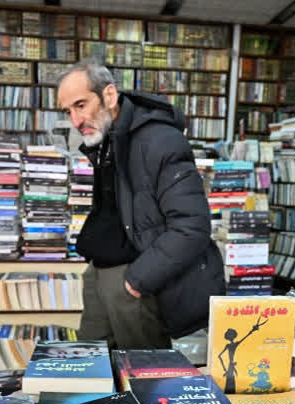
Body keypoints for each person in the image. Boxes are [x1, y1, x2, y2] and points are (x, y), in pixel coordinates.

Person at [56, 60, 224, 350]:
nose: (75, 120)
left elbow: (192, 226)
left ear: (109, 95)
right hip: (100, 273)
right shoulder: (106, 137)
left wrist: (137, 280)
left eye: (81, 105)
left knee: (145, 378)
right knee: (90, 374)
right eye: (68, 111)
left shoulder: (159, 141)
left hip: (132, 280)